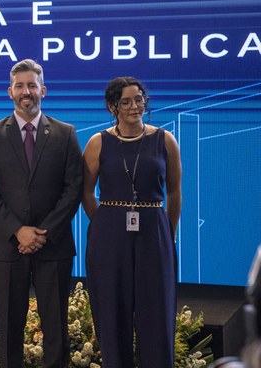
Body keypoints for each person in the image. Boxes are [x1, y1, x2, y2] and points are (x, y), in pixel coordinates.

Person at [0, 58, 83, 368]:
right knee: (9, 328)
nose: (26, 92)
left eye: (32, 86)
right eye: (20, 86)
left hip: (54, 246)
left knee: (55, 327)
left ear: (43, 90)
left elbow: (73, 189)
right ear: (10, 92)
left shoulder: (65, 133)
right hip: (6, 246)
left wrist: (42, 233)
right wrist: (18, 230)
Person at [81, 77, 182, 367]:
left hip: (154, 232)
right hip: (109, 237)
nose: (134, 106)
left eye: (139, 99)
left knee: (157, 313)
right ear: (113, 106)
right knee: (112, 312)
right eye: (125, 101)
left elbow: (174, 192)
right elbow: (86, 192)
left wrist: (167, 233)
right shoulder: (97, 142)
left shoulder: (165, 140)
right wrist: (102, 223)